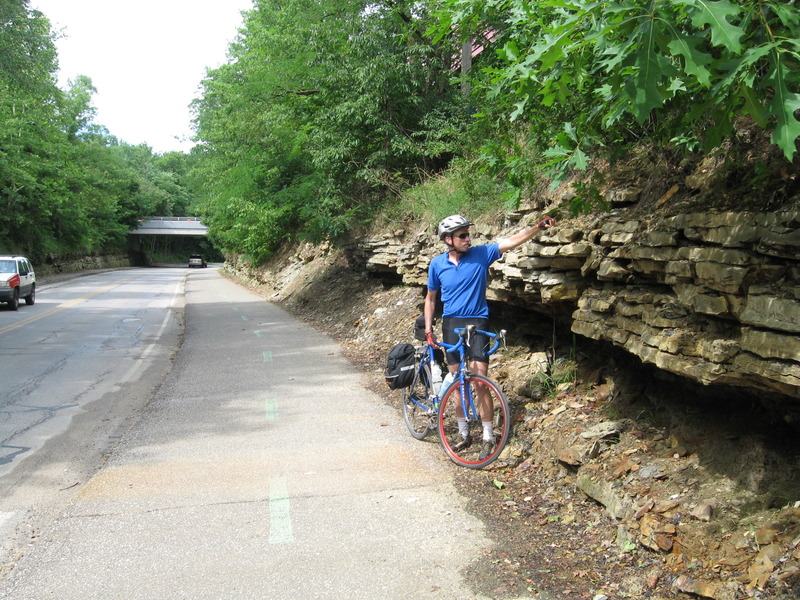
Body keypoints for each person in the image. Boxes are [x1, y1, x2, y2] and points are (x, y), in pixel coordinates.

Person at [423, 213, 555, 459]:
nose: (467, 238)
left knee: (479, 379)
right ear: (448, 240)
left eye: (467, 234)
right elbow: (430, 299)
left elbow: (513, 240)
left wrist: (537, 227)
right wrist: (429, 329)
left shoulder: (482, 254)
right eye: (462, 235)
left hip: (477, 321)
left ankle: (488, 435)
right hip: (451, 323)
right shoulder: (437, 264)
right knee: (456, 380)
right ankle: (463, 433)